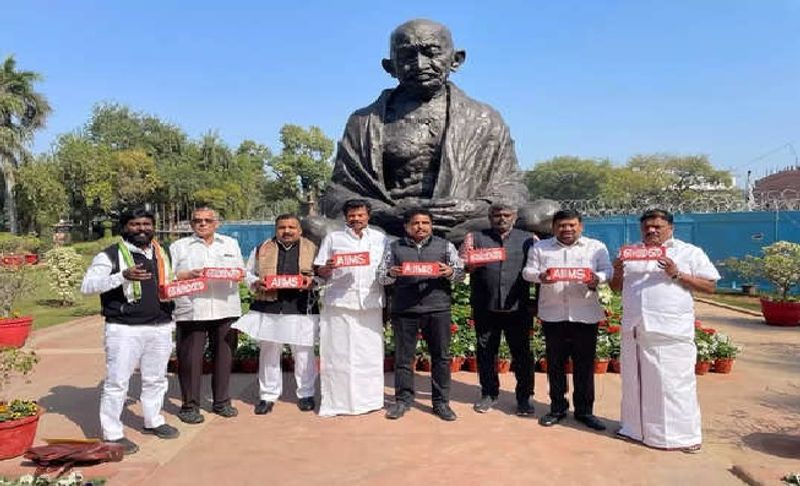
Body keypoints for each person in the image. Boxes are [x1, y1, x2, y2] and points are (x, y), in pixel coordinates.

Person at [309, 18, 557, 244]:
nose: (420, 64)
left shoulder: (484, 118)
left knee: (544, 213)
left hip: (463, 223)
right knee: (313, 226)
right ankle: (399, 244)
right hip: (390, 225)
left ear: (456, 59)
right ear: (390, 66)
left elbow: (513, 188)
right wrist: (392, 212)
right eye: (407, 56)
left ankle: (428, 244)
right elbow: (337, 196)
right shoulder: (363, 121)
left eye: (431, 52)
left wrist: (473, 207)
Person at [609, 209, 720, 453]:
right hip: (635, 330)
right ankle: (634, 430)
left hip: (671, 332)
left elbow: (710, 285)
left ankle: (683, 437)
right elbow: (616, 289)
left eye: (657, 226)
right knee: (634, 382)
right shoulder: (631, 253)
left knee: (674, 385)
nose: (651, 231)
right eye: (647, 227)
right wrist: (617, 270)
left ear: (670, 228)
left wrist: (676, 273)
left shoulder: (689, 252)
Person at [81, 207, 179, 455]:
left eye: (146, 224)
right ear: (124, 227)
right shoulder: (110, 256)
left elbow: (170, 280)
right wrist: (122, 276)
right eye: (135, 224)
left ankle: (153, 419)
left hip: (160, 326)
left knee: (156, 378)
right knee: (117, 382)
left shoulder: (162, 252)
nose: (142, 229)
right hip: (124, 329)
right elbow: (88, 286)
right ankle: (113, 433)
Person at [522, 209, 612, 431]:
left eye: (572, 225)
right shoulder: (540, 247)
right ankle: (557, 408)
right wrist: (540, 276)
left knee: (584, 365)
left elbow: (607, 270)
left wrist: (596, 278)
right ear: (554, 228)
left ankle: (584, 411)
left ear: (580, 226)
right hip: (553, 315)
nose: (567, 229)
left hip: (585, 314)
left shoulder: (596, 247)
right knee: (555, 365)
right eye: (562, 225)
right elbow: (527, 272)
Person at [377, 208, 465, 421]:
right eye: (415, 223)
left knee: (441, 358)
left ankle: (441, 402)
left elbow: (461, 274)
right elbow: (380, 276)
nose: (421, 227)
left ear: (431, 225)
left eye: (425, 223)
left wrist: (450, 272)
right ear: (407, 226)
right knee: (403, 359)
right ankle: (403, 400)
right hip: (405, 310)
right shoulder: (394, 246)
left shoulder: (445, 246)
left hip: (437, 309)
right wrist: (390, 274)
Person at [233, 214, 319, 415]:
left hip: (302, 307)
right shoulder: (262, 248)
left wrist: (312, 281)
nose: (287, 231)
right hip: (269, 306)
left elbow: (322, 275)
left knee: (304, 353)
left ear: (299, 230)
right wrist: (255, 282)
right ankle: (267, 395)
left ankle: (306, 394)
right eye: (282, 227)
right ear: (276, 229)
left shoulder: (312, 249)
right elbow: (248, 273)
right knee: (269, 352)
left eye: (291, 227)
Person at [169, 207, 245, 424]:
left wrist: (239, 274)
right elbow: (169, 275)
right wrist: (186, 275)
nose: (202, 224)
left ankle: (221, 401)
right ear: (191, 224)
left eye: (207, 220)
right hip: (193, 309)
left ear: (216, 223)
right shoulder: (179, 246)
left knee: (224, 357)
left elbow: (240, 270)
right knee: (190, 360)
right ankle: (189, 406)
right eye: (197, 221)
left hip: (225, 307)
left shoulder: (230, 244)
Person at [314, 199, 388, 416]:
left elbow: (386, 269)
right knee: (338, 354)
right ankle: (337, 403)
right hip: (339, 303)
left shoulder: (380, 239)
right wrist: (326, 268)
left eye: (360, 215)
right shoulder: (333, 238)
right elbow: (320, 270)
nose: (356, 218)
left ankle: (370, 400)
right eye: (352, 215)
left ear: (368, 216)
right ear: (345, 217)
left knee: (370, 354)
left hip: (370, 303)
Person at [460, 203, 535, 416]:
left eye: (506, 215)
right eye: (496, 215)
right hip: (485, 305)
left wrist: (536, 301)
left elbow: (538, 268)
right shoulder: (474, 237)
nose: (501, 218)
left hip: (518, 307)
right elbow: (461, 263)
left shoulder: (530, 239)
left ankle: (524, 397)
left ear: (515, 216)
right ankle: (488, 393)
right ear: (489, 217)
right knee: (485, 352)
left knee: (522, 354)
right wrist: (469, 265)